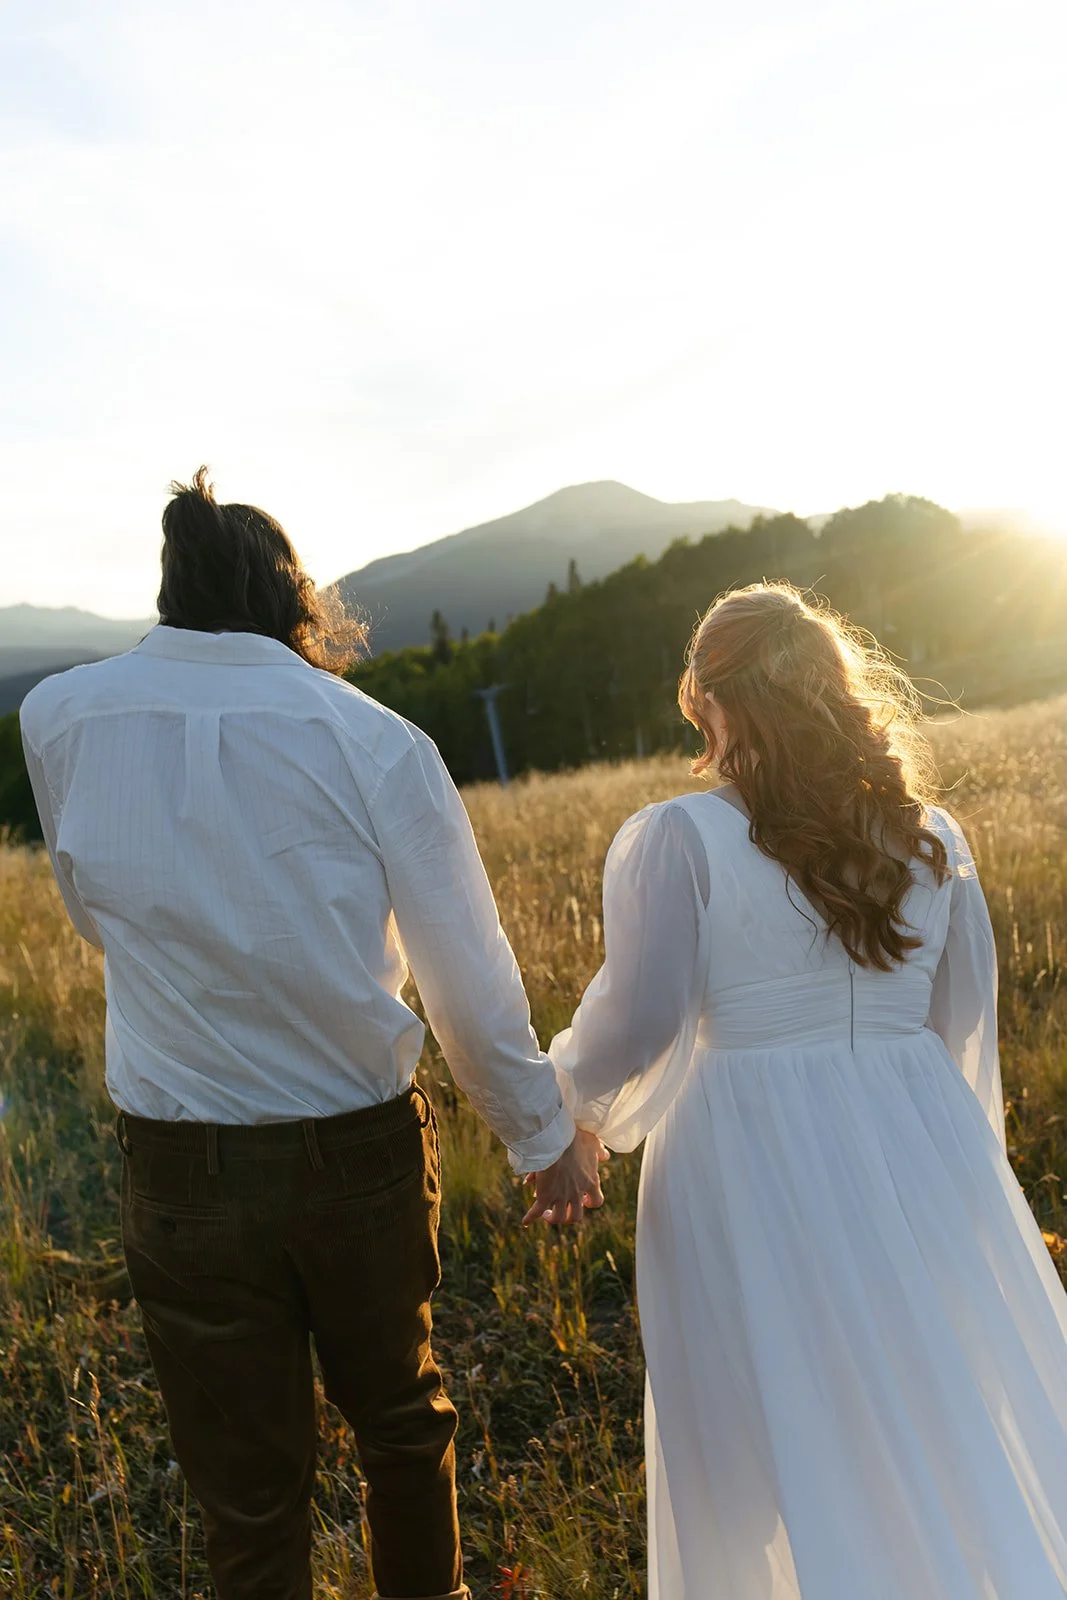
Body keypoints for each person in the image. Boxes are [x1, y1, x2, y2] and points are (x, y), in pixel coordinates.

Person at [18, 467, 603, 1600]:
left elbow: (93, 911)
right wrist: (544, 1138)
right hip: (359, 1160)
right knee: (399, 1429)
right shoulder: (374, 740)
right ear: (295, 604)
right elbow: (465, 983)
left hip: (181, 1173)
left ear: (169, 590)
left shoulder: (60, 718)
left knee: (245, 1495)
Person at [532, 582, 1067, 1598]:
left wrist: (565, 1113)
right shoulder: (930, 838)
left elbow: (639, 1024)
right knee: (926, 1408)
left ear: (709, 701)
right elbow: (954, 1023)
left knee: (754, 1435)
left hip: (745, 1159)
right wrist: (930, 1157)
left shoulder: (679, 838)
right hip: (915, 1145)